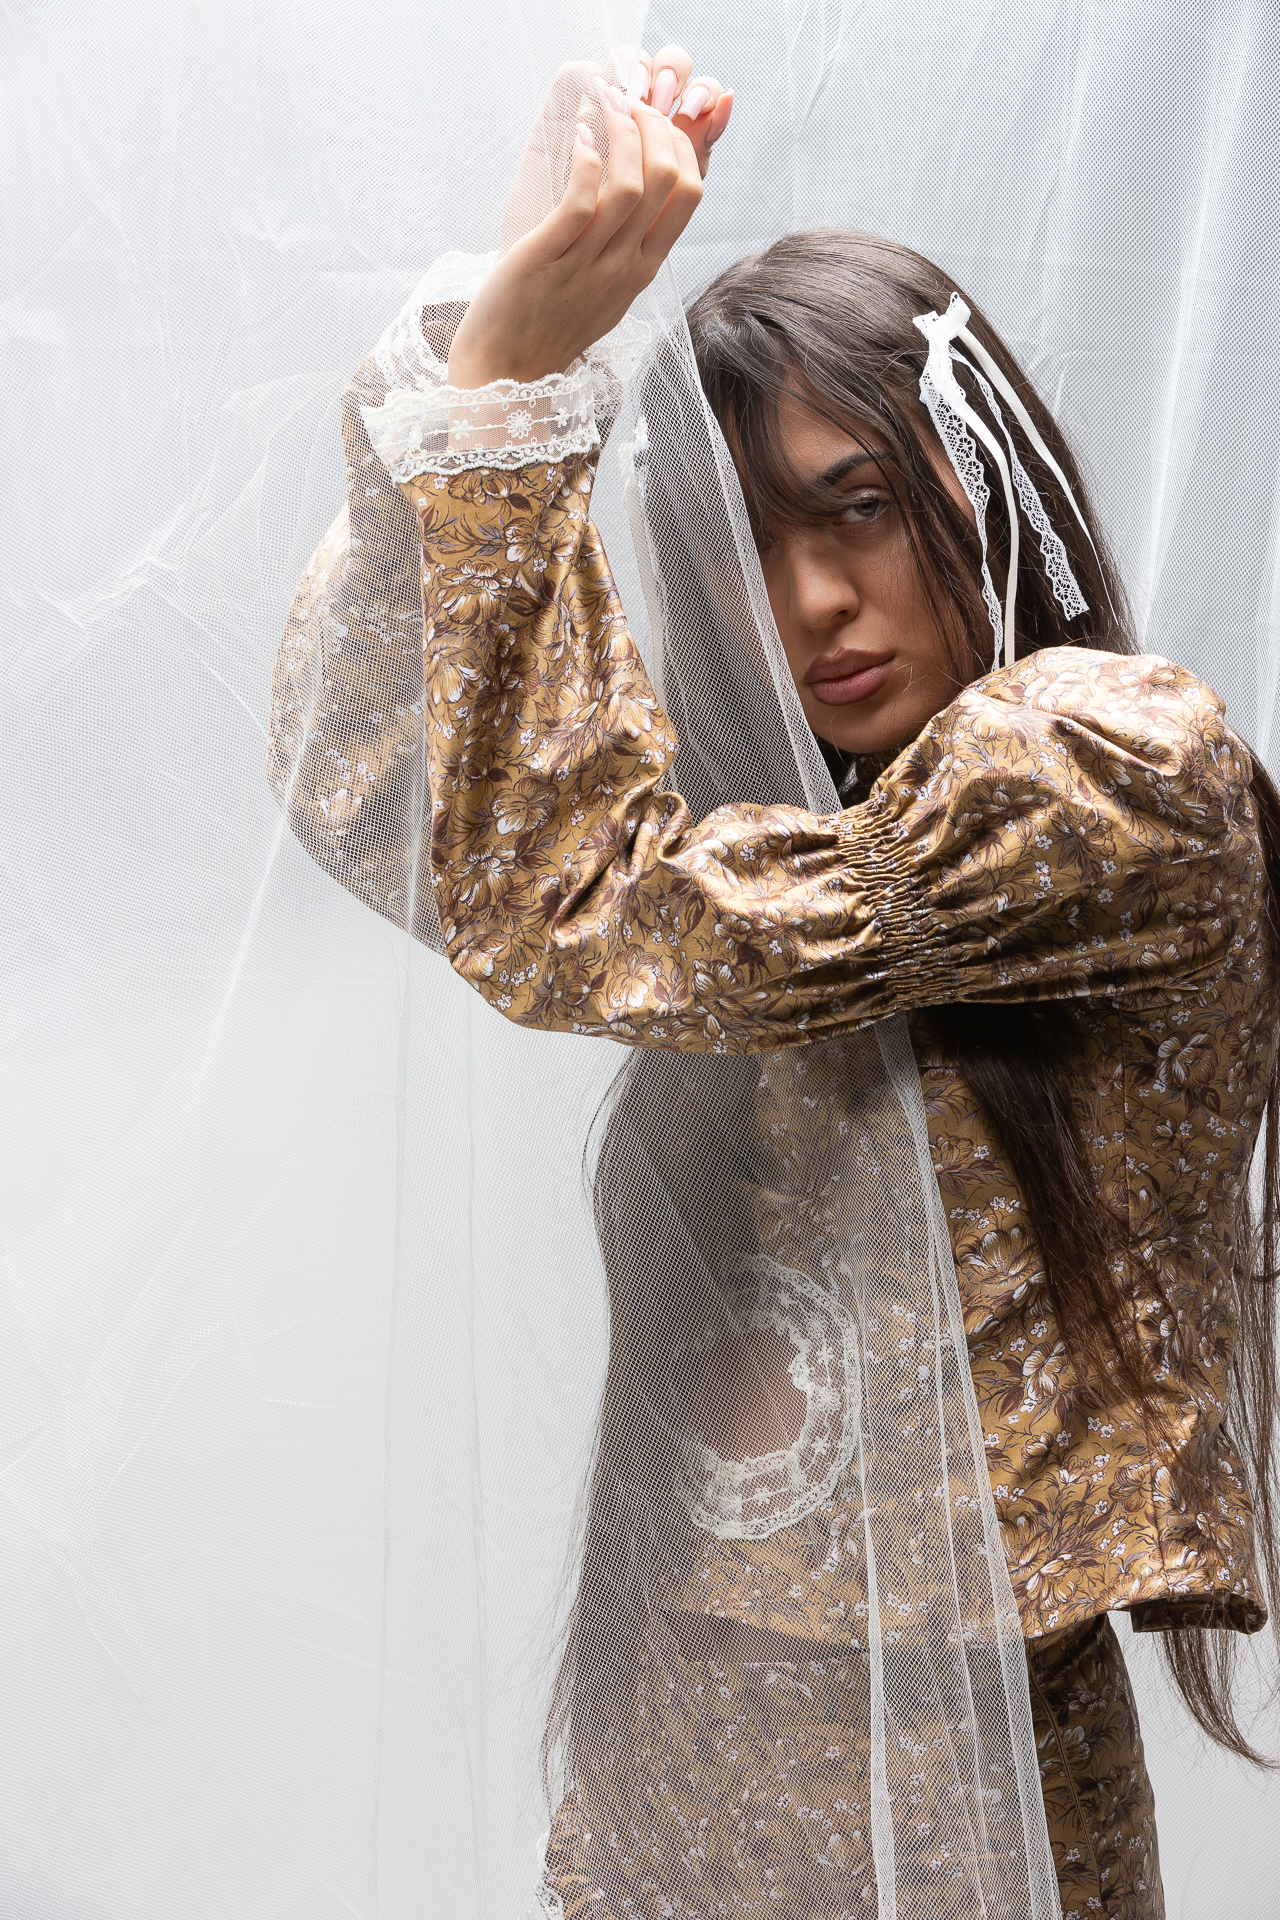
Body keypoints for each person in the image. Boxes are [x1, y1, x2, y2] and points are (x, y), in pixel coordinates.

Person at [269, 45, 1280, 1920]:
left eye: (860, 504)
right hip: (673, 1760)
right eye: (748, 544)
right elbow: (381, 792)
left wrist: (512, 398)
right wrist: (483, 346)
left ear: (979, 480)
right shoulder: (775, 857)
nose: (810, 600)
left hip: (966, 1796)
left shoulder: (1112, 775)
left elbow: (577, 904)